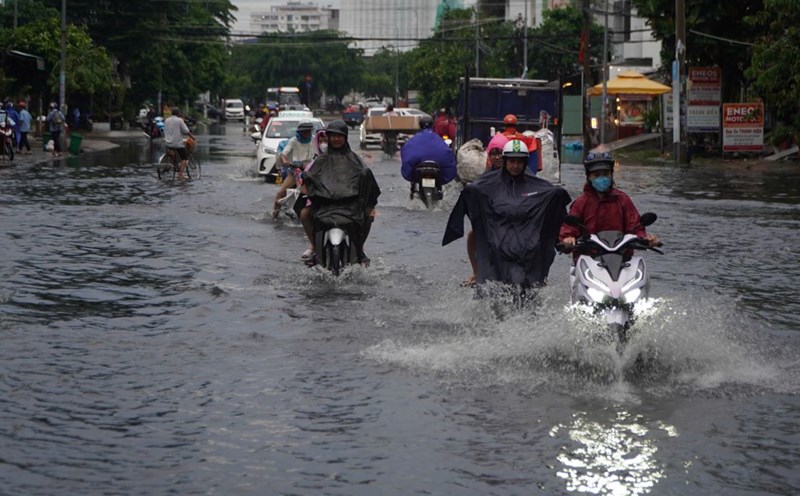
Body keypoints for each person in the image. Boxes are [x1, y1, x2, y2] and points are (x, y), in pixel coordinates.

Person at [443, 139, 571, 290]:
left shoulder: (536, 185)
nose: (516, 166)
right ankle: (477, 273)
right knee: (475, 237)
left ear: (525, 163)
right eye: (512, 161)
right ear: (505, 161)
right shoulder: (488, 182)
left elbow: (551, 194)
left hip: (526, 245)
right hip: (498, 241)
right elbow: (475, 190)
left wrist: (558, 196)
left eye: (519, 162)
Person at [302, 120, 380, 266]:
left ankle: (359, 250)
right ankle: (315, 248)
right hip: (325, 205)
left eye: (340, 136)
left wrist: (369, 202)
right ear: (329, 137)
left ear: (345, 137)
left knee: (369, 217)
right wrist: (307, 184)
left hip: (350, 205)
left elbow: (367, 179)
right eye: (333, 136)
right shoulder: (321, 160)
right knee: (305, 214)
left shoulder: (355, 159)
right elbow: (310, 177)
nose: (336, 139)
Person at [559, 151, 660, 254]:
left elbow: (636, 227)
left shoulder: (622, 199)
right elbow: (568, 229)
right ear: (589, 177)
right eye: (596, 175)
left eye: (606, 174)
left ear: (611, 175)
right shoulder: (581, 202)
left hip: (622, 258)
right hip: (588, 258)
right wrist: (568, 239)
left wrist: (646, 239)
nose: (602, 178)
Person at [272, 121, 317, 222]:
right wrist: (285, 161)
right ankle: (275, 214)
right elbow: (284, 154)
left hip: (310, 171)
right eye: (305, 131)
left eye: (309, 131)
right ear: (300, 132)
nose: (307, 133)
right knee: (280, 193)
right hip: (295, 171)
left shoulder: (314, 140)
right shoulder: (293, 141)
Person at [400, 115, 457, 193]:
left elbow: (405, 152)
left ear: (420, 125)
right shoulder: (437, 138)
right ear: (432, 125)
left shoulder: (414, 139)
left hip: (421, 169)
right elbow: (448, 154)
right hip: (435, 169)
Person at [163, 107, 193, 180]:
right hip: (177, 143)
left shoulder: (166, 120)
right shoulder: (179, 120)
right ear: (178, 114)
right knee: (184, 158)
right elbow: (186, 131)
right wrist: (192, 137)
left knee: (173, 153)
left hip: (167, 143)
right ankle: (180, 175)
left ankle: (174, 164)